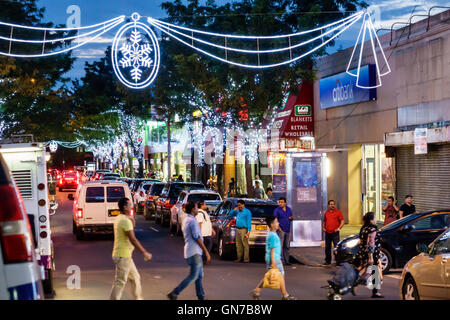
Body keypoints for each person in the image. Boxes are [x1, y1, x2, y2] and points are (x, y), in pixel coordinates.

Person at [110, 198, 152, 300]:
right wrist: (144, 252)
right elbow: (133, 239)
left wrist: (132, 221)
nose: (131, 207)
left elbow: (129, 230)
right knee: (120, 281)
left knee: (135, 277)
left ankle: (138, 298)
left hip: (124, 255)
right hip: (123, 256)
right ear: (124, 207)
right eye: (129, 205)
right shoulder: (125, 220)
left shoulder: (120, 218)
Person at [167, 201, 211, 300]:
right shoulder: (193, 221)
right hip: (194, 251)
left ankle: (201, 297)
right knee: (193, 276)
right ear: (192, 210)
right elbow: (197, 237)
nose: (197, 209)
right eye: (196, 207)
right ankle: (175, 292)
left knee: (199, 276)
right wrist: (206, 251)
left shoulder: (186, 219)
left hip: (190, 251)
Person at [251, 216, 296, 300]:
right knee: (281, 274)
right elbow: (272, 250)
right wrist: (274, 263)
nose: (278, 223)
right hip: (274, 258)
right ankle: (285, 295)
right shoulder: (273, 236)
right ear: (272, 225)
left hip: (271, 258)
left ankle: (256, 291)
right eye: (276, 222)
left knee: (268, 275)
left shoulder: (272, 233)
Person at [354, 211, 384, 298]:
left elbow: (362, 242)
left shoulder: (363, 228)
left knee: (366, 271)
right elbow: (371, 243)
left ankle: (355, 283)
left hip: (363, 252)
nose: (375, 220)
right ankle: (374, 292)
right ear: (371, 220)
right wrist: (371, 257)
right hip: (371, 254)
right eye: (374, 218)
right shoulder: (372, 229)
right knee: (374, 272)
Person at [323, 200, 344, 265]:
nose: (332, 205)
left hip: (335, 233)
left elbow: (342, 221)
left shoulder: (338, 212)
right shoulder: (326, 213)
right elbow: (324, 221)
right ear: (328, 205)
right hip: (328, 233)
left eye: (333, 204)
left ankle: (338, 261)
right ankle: (328, 261)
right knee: (327, 247)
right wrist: (323, 227)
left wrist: (338, 228)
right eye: (331, 204)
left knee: (336, 247)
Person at [273, 198, 293, 266]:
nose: (280, 203)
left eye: (282, 202)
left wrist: (291, 218)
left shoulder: (289, 209)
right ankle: (280, 261)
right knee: (280, 246)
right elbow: (275, 220)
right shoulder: (277, 210)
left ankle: (287, 260)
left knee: (287, 246)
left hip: (288, 229)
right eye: (279, 202)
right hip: (281, 230)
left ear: (285, 203)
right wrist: (279, 228)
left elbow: (291, 217)